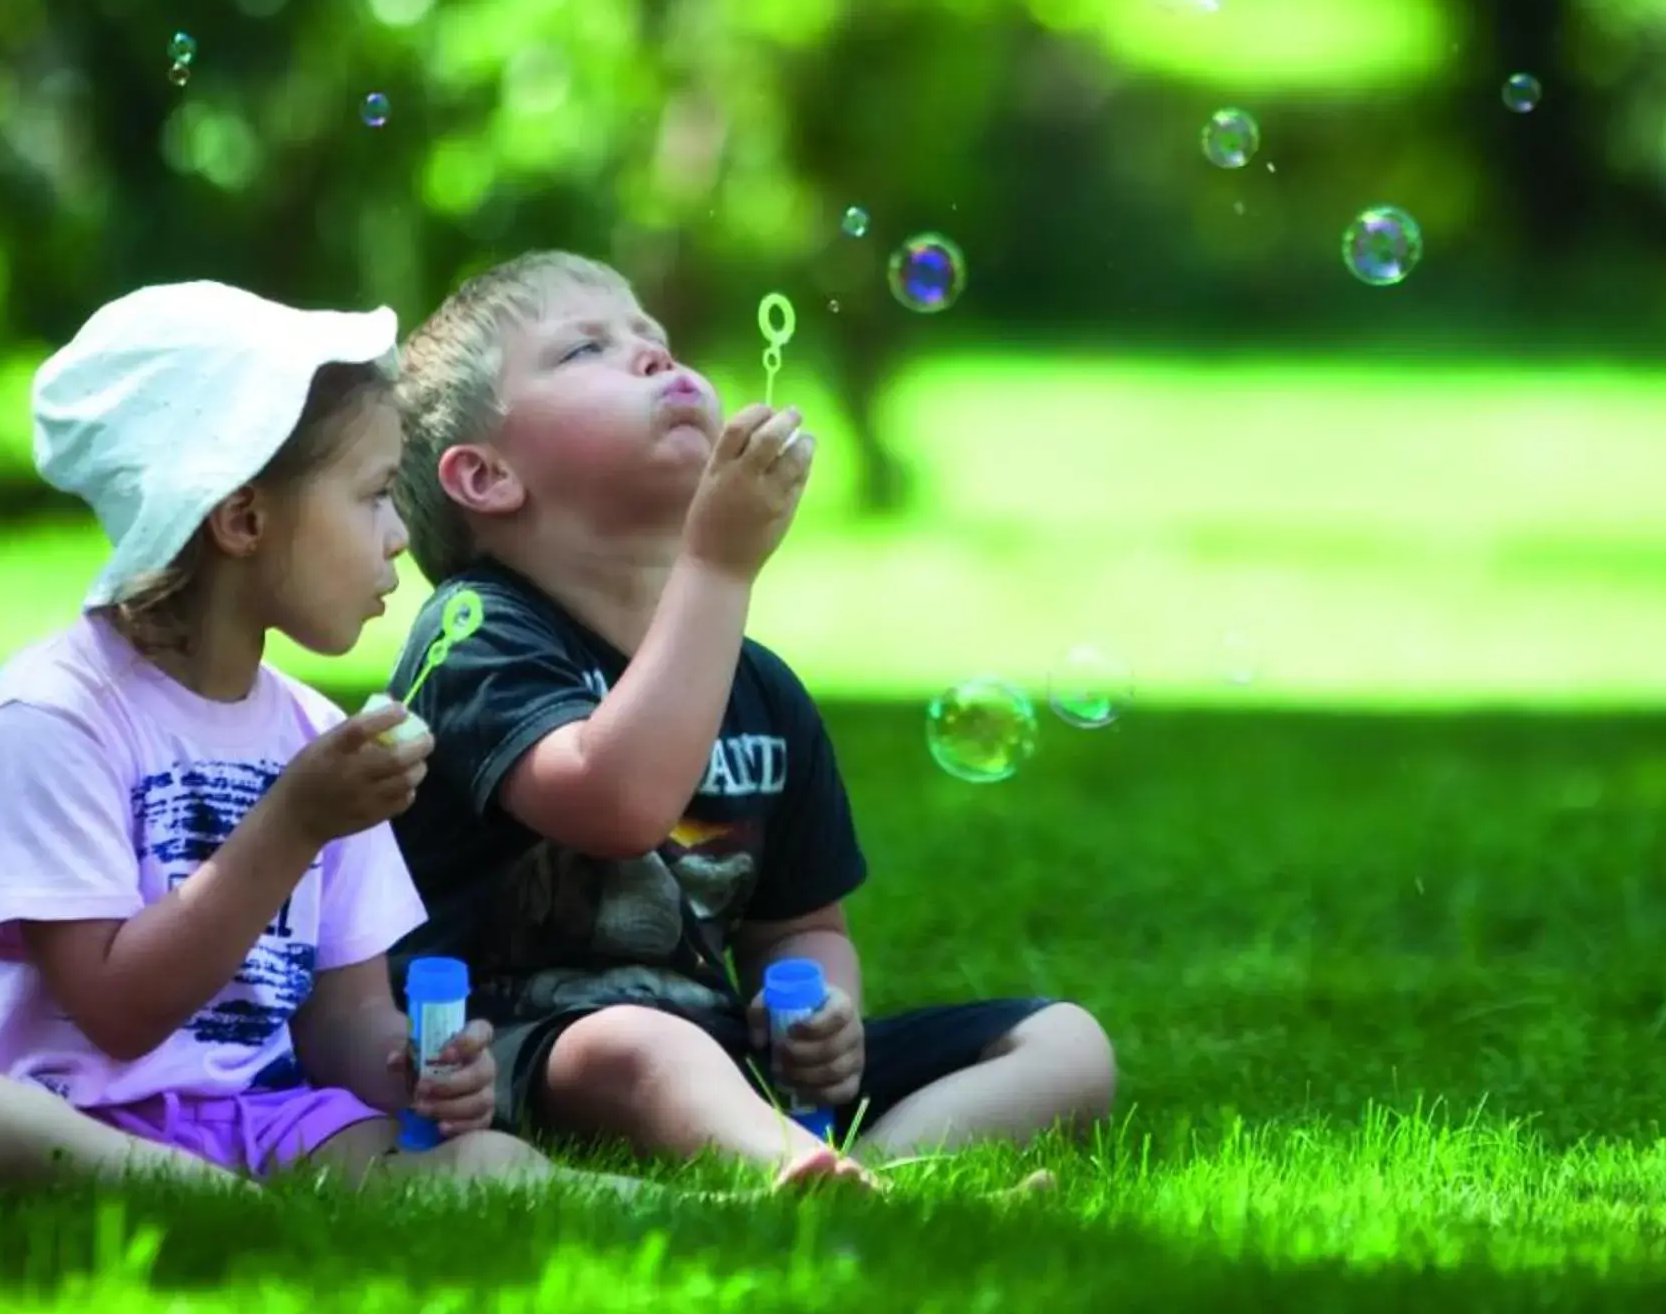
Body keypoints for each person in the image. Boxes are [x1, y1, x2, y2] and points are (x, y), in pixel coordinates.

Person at [380, 251, 1118, 1190]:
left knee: (1066, 1043)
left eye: (655, 338)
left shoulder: (758, 686)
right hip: (513, 1048)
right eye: (585, 351)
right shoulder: (480, 634)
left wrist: (819, 1020)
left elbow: (802, 924)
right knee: (638, 1045)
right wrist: (720, 568)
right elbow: (616, 804)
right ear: (486, 477)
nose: (653, 357)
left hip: (719, 1049)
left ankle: (866, 1181)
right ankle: (806, 1173)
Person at [0, 281, 577, 1194]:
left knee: (488, 1163)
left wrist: (423, 1073)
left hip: (261, 1118)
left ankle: (717, 1205)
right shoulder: (53, 719)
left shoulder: (318, 737)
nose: (401, 536)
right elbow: (117, 1013)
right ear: (243, 519)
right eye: (372, 495)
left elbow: (345, 1026)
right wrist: (292, 824)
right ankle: (206, 1194)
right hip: (69, 1117)